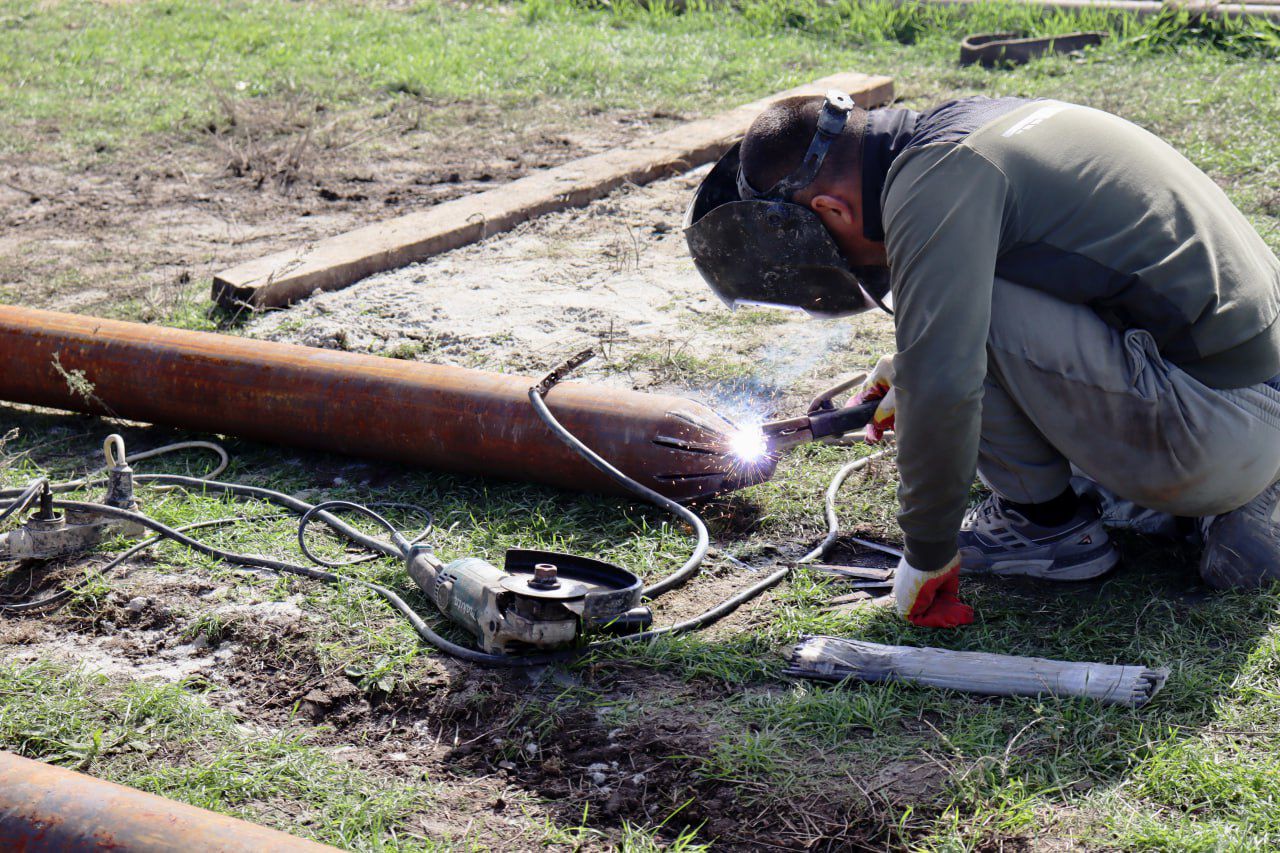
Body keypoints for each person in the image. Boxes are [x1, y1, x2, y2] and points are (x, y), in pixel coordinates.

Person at [684, 92, 1280, 628]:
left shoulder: (937, 182)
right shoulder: (967, 130)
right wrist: (911, 361)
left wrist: (927, 554)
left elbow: (946, 381)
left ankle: (1046, 528)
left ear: (832, 211)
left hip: (1226, 426)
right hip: (1241, 384)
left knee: (959, 336)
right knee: (951, 328)